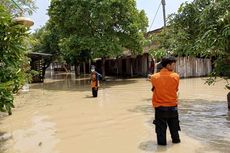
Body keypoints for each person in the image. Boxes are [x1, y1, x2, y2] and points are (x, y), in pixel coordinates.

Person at [150, 56, 181, 145]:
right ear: (168, 65)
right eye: (173, 65)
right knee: (175, 132)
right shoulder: (176, 76)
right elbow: (176, 89)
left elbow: (154, 88)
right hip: (173, 108)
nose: (174, 67)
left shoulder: (154, 77)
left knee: (160, 133)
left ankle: (161, 148)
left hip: (160, 108)